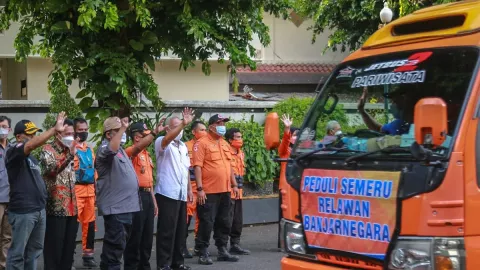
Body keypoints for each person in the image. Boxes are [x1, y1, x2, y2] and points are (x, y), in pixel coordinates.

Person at [6, 112, 67, 270]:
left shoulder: (32, 158)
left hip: (39, 210)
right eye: (30, 134)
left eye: (34, 134)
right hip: (23, 211)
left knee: (34, 252)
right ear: (19, 137)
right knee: (17, 254)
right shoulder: (13, 151)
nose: (33, 137)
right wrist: (54, 129)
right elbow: (31, 145)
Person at [192, 114, 240, 265]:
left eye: (224, 123)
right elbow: (197, 167)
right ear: (212, 126)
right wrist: (200, 189)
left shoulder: (225, 143)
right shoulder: (202, 143)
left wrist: (234, 185)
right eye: (220, 123)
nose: (223, 126)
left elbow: (230, 167)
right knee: (207, 221)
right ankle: (202, 251)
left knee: (224, 221)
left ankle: (222, 250)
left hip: (225, 190)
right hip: (209, 191)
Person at [95, 116, 141, 270]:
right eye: (118, 131)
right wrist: (122, 128)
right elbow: (110, 150)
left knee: (119, 248)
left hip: (127, 207)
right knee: (113, 250)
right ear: (109, 134)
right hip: (116, 209)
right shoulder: (104, 148)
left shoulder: (120, 150)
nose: (123, 134)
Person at [154, 108, 195, 270]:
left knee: (180, 230)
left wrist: (190, 190)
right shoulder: (161, 142)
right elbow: (166, 141)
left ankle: (178, 263)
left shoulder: (183, 146)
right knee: (166, 231)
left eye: (182, 126)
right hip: (167, 193)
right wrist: (183, 123)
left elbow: (185, 170)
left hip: (181, 194)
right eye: (176, 126)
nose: (180, 129)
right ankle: (163, 264)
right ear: (169, 129)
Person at [124, 121, 164, 270]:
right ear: (136, 137)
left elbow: (149, 181)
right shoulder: (131, 152)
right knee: (135, 236)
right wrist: (154, 133)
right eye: (146, 135)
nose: (150, 139)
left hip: (147, 197)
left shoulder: (147, 154)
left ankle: (144, 266)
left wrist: (153, 201)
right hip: (136, 197)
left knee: (147, 237)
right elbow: (135, 150)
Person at [40, 118, 79, 270]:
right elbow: (51, 170)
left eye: (72, 133)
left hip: (72, 208)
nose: (71, 136)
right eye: (67, 133)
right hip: (55, 208)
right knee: (54, 251)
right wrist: (69, 155)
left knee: (68, 251)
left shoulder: (73, 149)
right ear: (58, 134)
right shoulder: (47, 150)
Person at [73, 117, 98, 268]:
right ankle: (68, 257)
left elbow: (94, 171)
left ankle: (88, 256)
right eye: (80, 130)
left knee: (90, 226)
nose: (83, 132)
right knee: (71, 226)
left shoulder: (89, 149)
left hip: (90, 192)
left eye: (85, 130)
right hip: (76, 192)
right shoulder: (71, 148)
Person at [225, 128, 250, 255]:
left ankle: (235, 244)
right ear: (230, 140)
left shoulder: (241, 153)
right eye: (238, 137)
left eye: (241, 137)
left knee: (237, 220)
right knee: (227, 219)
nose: (240, 139)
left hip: (238, 192)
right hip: (229, 191)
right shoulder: (226, 153)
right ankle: (222, 246)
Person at [184, 120, 207, 258]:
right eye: (201, 130)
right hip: (191, 188)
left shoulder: (207, 146)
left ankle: (199, 246)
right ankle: (181, 246)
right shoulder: (186, 146)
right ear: (194, 132)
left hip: (204, 189)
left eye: (205, 130)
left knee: (203, 219)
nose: (204, 133)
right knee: (186, 219)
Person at [277, 114, 299, 248]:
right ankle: (282, 243)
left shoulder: (302, 151)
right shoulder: (285, 151)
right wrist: (287, 129)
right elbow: (284, 142)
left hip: (298, 187)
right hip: (285, 187)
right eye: (295, 134)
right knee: (283, 217)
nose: (297, 137)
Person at [0, 116, 12, 269]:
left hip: (11, 199)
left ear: (9, 129)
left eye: (4, 126)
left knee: (7, 237)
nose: (1, 129)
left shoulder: (13, 149)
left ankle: (3, 265)